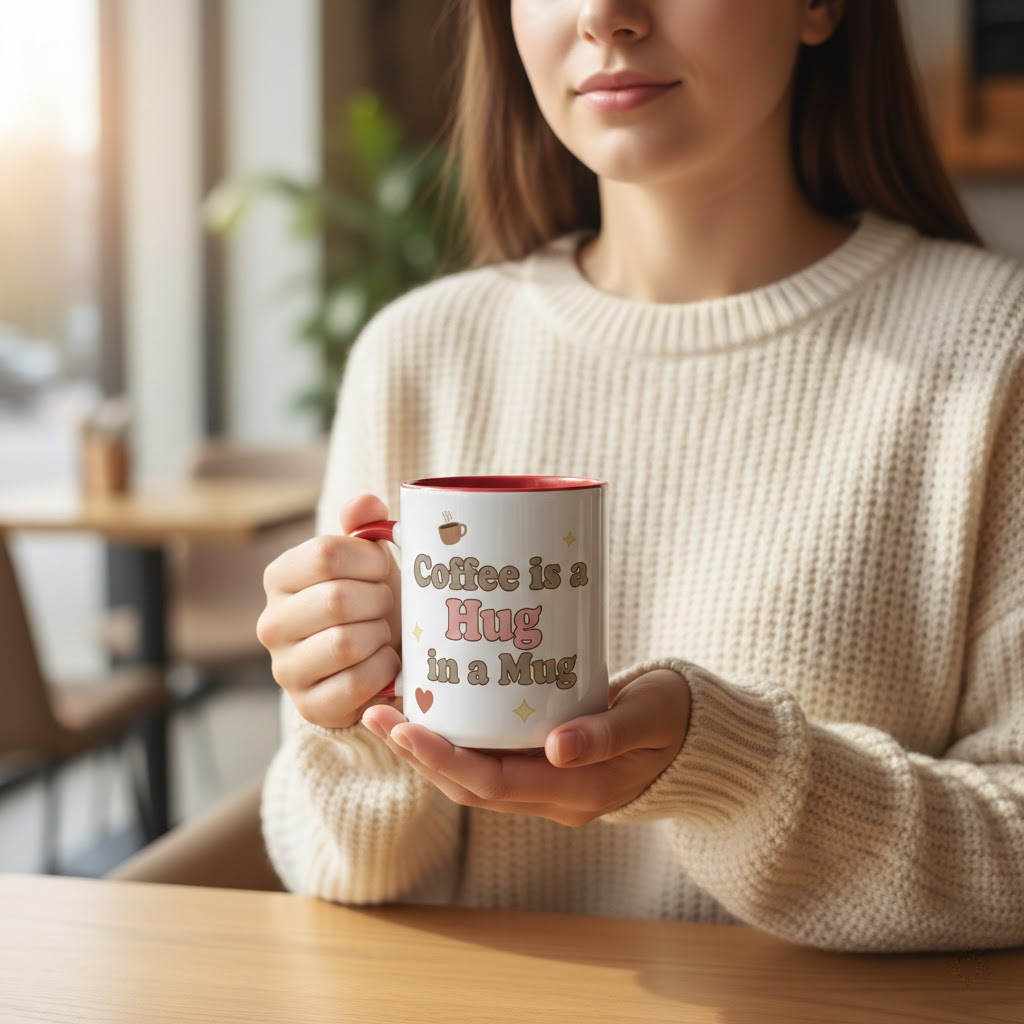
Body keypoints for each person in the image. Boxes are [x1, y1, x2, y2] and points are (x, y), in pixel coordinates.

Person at [256, 0, 1024, 953]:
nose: (606, 15)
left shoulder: (996, 352)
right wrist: (348, 709)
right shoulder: (419, 356)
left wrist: (732, 772)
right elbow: (343, 874)